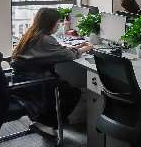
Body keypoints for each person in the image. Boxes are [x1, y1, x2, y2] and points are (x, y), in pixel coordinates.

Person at [11, 8, 93, 136]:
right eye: (58, 22)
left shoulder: (32, 33)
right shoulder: (45, 39)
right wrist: (86, 48)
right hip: (36, 82)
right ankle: (48, 123)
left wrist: (76, 47)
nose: (59, 25)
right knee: (72, 93)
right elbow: (68, 55)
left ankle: (43, 120)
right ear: (50, 23)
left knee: (64, 85)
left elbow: (55, 50)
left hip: (22, 78)